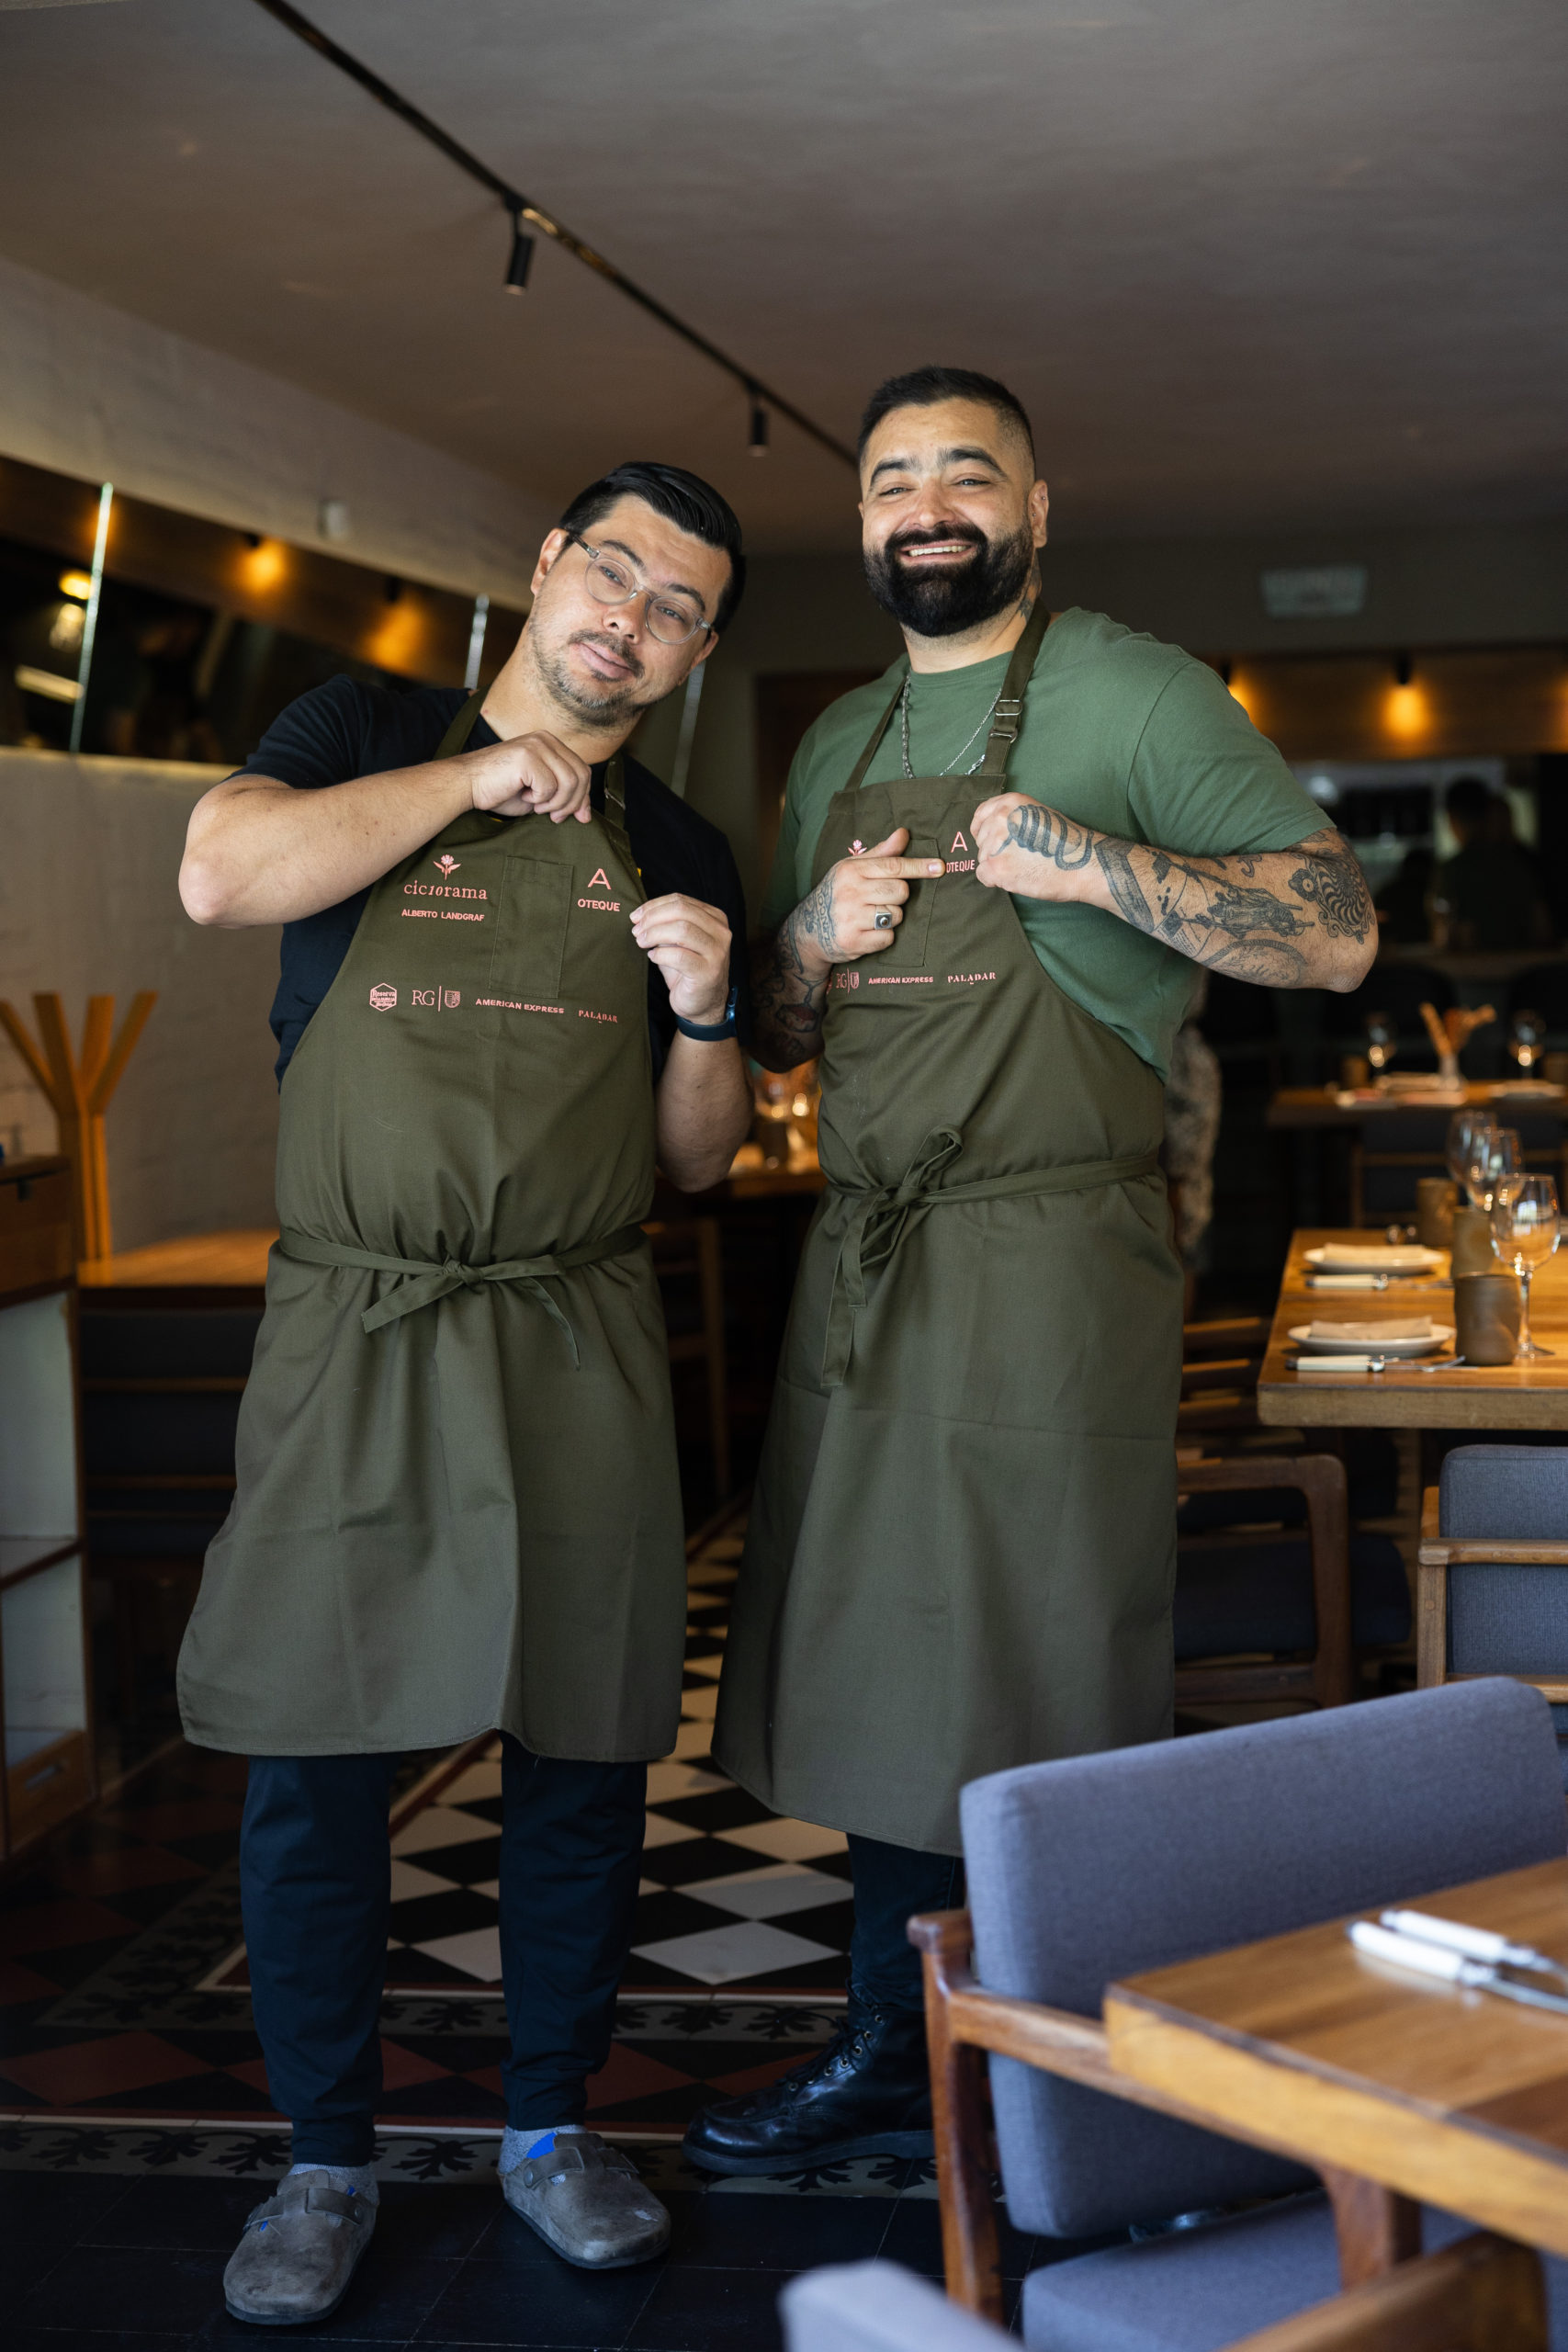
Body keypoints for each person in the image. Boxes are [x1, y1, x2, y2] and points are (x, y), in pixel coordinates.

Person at [688, 367, 1376, 2177]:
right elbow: (766, 1031)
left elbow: (1333, 925)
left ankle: (1084, 2081)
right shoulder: (831, 745)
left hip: (1055, 1246)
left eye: (966, 474)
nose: (928, 505)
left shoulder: (1132, 688)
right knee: (872, 1669)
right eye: (892, 477)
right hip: (868, 1259)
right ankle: (884, 2046)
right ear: (858, 522)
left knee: (1041, 1660)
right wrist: (806, 945)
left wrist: (1084, 855)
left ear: (1034, 508)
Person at [175, 462, 753, 2322]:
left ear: (698, 648)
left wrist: (713, 1010)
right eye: (613, 572)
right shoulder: (369, 727)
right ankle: (323, 2154)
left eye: (676, 605)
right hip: (359, 1322)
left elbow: (693, 1165)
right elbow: (219, 869)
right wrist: (472, 781)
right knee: (315, 1762)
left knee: (583, 1750)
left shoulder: (679, 838)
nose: (631, 617)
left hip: (574, 1331)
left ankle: (545, 2126)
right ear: (544, 569)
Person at [1433, 775, 1549, 950]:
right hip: (1524, 968)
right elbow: (1542, 927)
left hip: (1471, 971)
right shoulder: (1520, 864)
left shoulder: (1452, 871)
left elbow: (1444, 935)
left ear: (1451, 819)